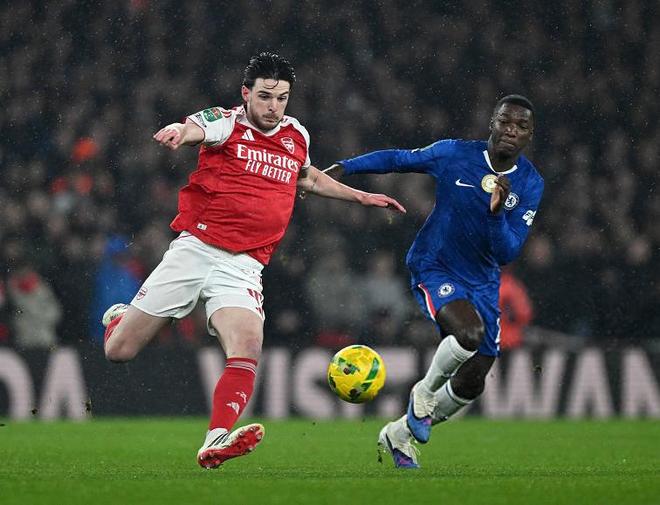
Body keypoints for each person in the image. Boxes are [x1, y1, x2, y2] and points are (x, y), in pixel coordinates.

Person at [101, 52, 404, 470]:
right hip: (196, 251)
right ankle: (120, 318)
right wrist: (178, 131)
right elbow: (194, 128)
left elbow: (306, 177)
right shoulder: (227, 121)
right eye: (264, 96)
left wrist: (362, 197)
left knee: (247, 345)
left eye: (281, 98)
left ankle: (215, 439)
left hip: (243, 266)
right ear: (246, 93)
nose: (273, 106)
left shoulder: (296, 134)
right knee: (119, 351)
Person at [325, 95, 543, 468]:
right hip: (435, 265)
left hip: (483, 280)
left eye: (521, 126)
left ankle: (399, 434)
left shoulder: (530, 183)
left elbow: (507, 252)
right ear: (492, 123)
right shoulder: (454, 154)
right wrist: (346, 167)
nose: (511, 130)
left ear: (529, 135)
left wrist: (495, 215)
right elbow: (398, 159)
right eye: (505, 121)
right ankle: (423, 394)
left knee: (474, 380)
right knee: (468, 335)